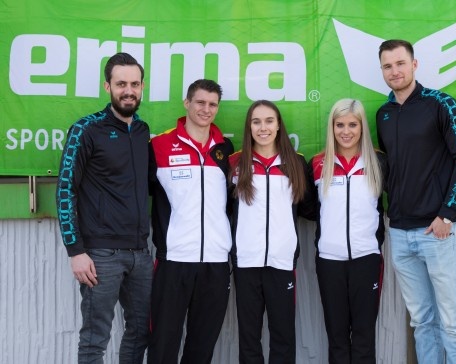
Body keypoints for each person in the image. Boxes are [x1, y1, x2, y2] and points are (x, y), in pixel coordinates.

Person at [376, 39, 456, 363]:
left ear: (414, 64)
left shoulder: (441, 103)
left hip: (439, 233)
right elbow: (391, 168)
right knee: (422, 321)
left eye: (400, 63)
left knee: (453, 320)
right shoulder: (383, 114)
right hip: (401, 234)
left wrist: (447, 215)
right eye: (387, 66)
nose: (395, 71)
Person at [55, 52, 153, 363]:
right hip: (100, 255)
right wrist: (75, 250)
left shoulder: (141, 131)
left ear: (142, 87)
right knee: (94, 339)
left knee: (141, 331)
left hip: (140, 253)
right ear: (107, 86)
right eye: (121, 83)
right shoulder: (86, 129)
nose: (129, 90)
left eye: (134, 84)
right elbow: (65, 190)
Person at [148, 79, 234, 364]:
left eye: (212, 104)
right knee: (163, 345)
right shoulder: (159, 145)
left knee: (202, 347)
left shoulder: (226, 150)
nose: (206, 109)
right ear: (187, 103)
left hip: (216, 263)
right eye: (200, 102)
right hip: (174, 261)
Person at [229, 100, 312, 364]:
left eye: (268, 121)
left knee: (283, 336)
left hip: (282, 262)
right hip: (246, 262)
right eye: (256, 122)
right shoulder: (235, 163)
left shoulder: (296, 163)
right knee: (249, 337)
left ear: (278, 125)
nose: (262, 127)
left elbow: (310, 208)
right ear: (249, 127)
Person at [307, 99, 385, 363]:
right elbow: (308, 208)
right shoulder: (318, 163)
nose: (346, 131)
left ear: (362, 127)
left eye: (353, 124)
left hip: (367, 259)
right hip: (329, 261)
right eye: (339, 124)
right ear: (332, 127)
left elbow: (391, 203)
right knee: (337, 338)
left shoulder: (378, 162)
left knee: (364, 338)